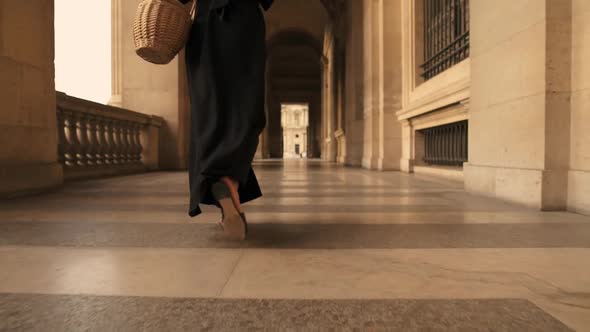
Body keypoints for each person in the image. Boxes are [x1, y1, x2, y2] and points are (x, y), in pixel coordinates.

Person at [181, 0, 274, 240]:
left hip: (205, 28)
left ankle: (223, 184)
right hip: (244, 23)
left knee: (209, 110)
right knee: (245, 111)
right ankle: (228, 182)